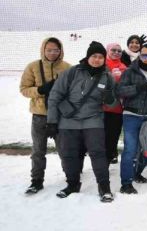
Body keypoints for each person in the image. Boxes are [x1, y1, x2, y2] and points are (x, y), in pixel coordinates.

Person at [46, 41, 118, 202]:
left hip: (93, 120)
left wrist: (110, 98)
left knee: (98, 154)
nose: (97, 59)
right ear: (88, 57)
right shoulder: (72, 72)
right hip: (68, 121)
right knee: (68, 155)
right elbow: (55, 95)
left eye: (100, 57)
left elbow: (113, 104)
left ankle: (104, 187)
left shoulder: (107, 77)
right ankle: (72, 184)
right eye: (94, 56)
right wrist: (52, 121)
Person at [20, 37, 72, 195]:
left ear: (60, 50)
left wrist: (61, 93)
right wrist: (41, 90)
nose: (52, 53)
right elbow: (24, 89)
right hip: (40, 115)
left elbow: (75, 91)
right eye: (49, 50)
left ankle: (71, 178)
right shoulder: (33, 66)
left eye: (56, 50)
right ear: (43, 50)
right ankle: (36, 181)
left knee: (65, 149)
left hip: (61, 116)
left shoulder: (68, 67)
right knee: (38, 150)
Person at [117, 43, 147, 194]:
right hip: (131, 115)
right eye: (144, 55)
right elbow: (120, 91)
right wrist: (137, 88)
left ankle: (137, 172)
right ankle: (126, 183)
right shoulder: (130, 71)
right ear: (139, 56)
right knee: (130, 150)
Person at [104, 43, 126, 165]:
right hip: (99, 109)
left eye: (119, 51)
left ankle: (106, 162)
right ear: (108, 50)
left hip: (116, 109)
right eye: (113, 50)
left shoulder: (123, 68)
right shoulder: (101, 64)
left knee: (112, 138)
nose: (116, 52)